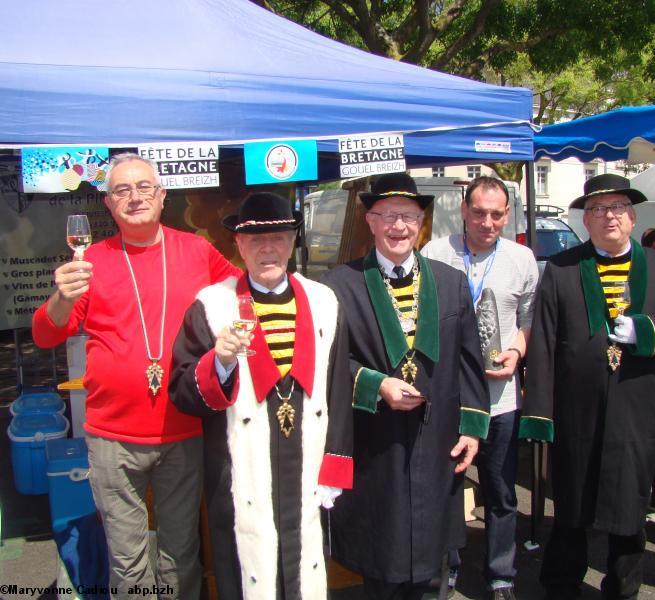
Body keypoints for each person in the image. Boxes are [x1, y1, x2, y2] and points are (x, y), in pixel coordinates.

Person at [32, 153, 240, 599]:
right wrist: (62, 297)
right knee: (127, 559)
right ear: (108, 204)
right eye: (122, 190)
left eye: (144, 187)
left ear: (162, 196)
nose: (135, 197)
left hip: (181, 430)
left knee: (180, 552)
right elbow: (46, 334)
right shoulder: (92, 262)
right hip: (112, 438)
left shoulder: (197, 250)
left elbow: (246, 293)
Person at [168, 192, 354, 599]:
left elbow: (340, 391)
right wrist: (219, 362)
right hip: (240, 469)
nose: (267, 249)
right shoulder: (211, 307)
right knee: (248, 568)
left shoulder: (325, 302)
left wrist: (336, 465)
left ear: (292, 242)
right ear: (238, 244)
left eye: (278, 237)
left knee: (306, 566)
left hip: (307, 461)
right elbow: (182, 392)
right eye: (255, 240)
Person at [522, 173, 655, 600]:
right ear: (586, 221)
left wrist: (647, 333)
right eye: (597, 210)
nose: (608, 217)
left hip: (639, 409)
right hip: (577, 411)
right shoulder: (563, 269)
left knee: (628, 508)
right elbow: (543, 342)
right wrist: (540, 413)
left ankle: (623, 587)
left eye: (617, 207)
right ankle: (562, 585)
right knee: (571, 505)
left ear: (633, 217)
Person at [321, 172, 490, 599]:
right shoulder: (340, 285)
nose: (399, 226)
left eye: (409, 217)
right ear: (370, 221)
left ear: (421, 223)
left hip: (436, 441)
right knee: (382, 554)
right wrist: (377, 385)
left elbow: (471, 362)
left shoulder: (450, 283)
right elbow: (330, 362)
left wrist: (472, 428)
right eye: (388, 216)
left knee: (431, 560)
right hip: (376, 443)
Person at [421, 176, 538, 599]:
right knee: (447, 487)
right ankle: (447, 565)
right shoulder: (435, 253)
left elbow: (529, 319)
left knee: (501, 493)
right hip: (449, 398)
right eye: (480, 212)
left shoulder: (523, 259)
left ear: (507, 215)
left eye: (497, 214)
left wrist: (517, 353)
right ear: (464, 211)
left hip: (500, 397)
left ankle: (501, 574)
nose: (488, 222)